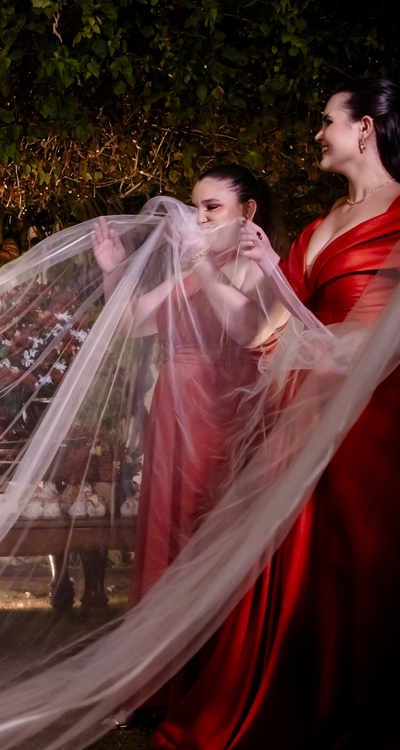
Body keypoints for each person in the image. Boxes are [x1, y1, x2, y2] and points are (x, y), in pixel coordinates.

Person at [152, 78, 400, 749]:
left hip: (371, 414)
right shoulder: (321, 226)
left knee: (359, 562)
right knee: (292, 563)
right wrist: (249, 268)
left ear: (365, 130)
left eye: (327, 121)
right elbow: (254, 330)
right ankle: (293, 699)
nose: (318, 133)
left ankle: (353, 703)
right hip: (307, 408)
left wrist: (303, 323)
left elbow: (382, 337)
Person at [92, 165, 278, 607]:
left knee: (206, 522)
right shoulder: (193, 272)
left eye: (212, 207)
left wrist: (199, 261)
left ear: (248, 210)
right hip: (171, 420)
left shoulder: (261, 269)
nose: (200, 219)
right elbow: (130, 323)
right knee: (168, 527)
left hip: (219, 418)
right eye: (197, 208)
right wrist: (114, 272)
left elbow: (243, 328)